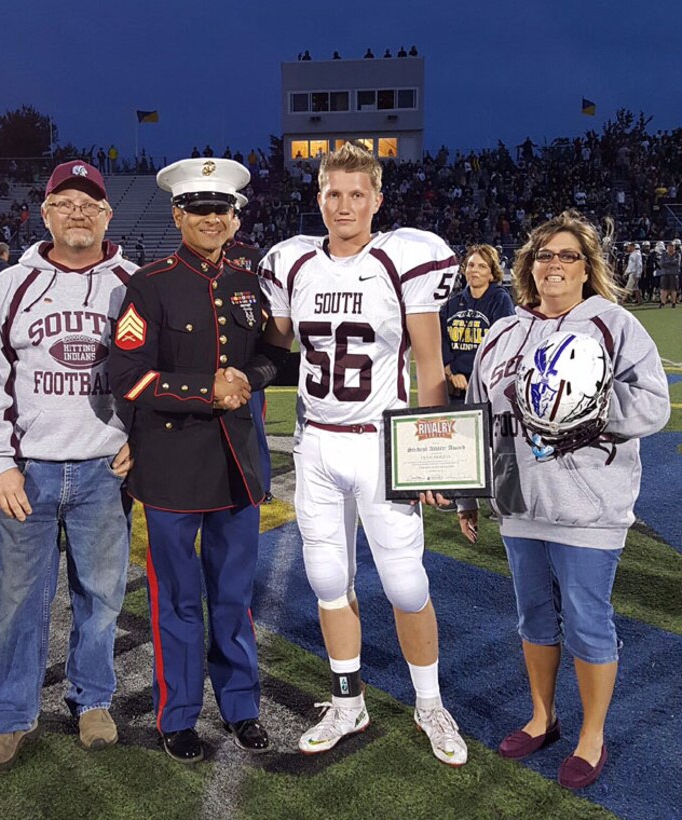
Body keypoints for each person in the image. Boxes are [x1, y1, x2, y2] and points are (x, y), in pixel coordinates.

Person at [256, 143, 468, 765]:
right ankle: (349, 700)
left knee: (406, 584)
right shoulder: (293, 263)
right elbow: (273, 346)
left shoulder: (401, 258)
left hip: (381, 442)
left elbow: (430, 366)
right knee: (327, 579)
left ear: (377, 199)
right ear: (317, 196)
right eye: (332, 193)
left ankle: (429, 702)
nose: (343, 205)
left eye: (356, 194)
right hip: (317, 441)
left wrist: (436, 460)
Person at [456, 211, 670, 789]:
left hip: (587, 507)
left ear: (587, 267)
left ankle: (591, 735)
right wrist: (468, 497)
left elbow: (654, 406)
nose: (554, 264)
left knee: (588, 622)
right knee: (533, 618)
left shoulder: (615, 324)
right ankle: (542, 717)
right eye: (544, 255)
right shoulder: (501, 333)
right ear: (528, 265)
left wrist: (589, 407)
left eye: (567, 256)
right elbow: (480, 415)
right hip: (518, 504)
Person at [0, 160, 138, 771]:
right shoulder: (13, 285)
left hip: (103, 470)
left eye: (89, 203)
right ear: (45, 213)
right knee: (18, 600)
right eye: (65, 202)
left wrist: (139, 437)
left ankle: (91, 700)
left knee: (102, 596)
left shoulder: (131, 282)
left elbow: (154, 372)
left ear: (107, 214)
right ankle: (11, 717)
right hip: (29, 472)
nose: (78, 213)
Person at [108, 158, 273, 764]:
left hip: (238, 467)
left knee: (233, 597)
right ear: (178, 215)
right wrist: (208, 389)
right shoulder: (148, 285)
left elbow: (272, 359)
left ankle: (241, 706)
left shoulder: (250, 283)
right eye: (199, 210)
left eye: (221, 210)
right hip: (173, 466)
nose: (211, 219)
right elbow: (124, 374)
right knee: (176, 600)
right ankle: (177, 715)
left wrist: (245, 379)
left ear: (234, 218)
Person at [223, 200, 273, 499]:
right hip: (210, 359)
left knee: (255, 427)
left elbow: (268, 304)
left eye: (225, 214)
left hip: (247, 357)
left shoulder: (252, 256)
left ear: (236, 221)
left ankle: (261, 484)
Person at [440, 244, 515, 401]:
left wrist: (457, 367)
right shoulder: (452, 304)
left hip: (487, 387)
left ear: (492, 274)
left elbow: (499, 344)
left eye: (482, 266)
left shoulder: (500, 300)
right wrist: (450, 370)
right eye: (471, 265)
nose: (474, 270)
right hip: (454, 386)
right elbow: (440, 338)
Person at [657, 239, 679, 307]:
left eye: (672, 246)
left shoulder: (677, 254)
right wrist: (670, 262)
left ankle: (673, 302)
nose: (670, 248)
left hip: (673, 273)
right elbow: (662, 264)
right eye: (669, 246)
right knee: (664, 288)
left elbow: (676, 263)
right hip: (664, 273)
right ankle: (663, 302)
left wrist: (668, 263)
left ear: (674, 247)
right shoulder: (664, 255)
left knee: (673, 289)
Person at [621, 241, 643, 305]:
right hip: (632, 272)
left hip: (634, 273)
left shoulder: (637, 254)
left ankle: (623, 301)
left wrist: (638, 274)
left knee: (628, 287)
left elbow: (639, 265)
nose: (627, 248)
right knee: (635, 287)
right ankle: (639, 301)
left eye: (629, 247)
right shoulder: (632, 254)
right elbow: (630, 265)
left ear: (633, 247)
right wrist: (626, 273)